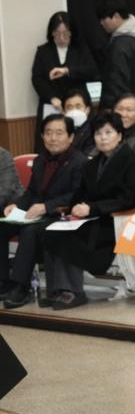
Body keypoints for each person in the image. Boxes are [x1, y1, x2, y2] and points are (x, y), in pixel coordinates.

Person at [39, 113, 135, 309]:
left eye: (108, 132)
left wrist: (93, 208)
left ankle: (73, 292)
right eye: (98, 133)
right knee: (52, 231)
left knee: (69, 238)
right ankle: (56, 290)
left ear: (119, 135)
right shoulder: (93, 163)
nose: (102, 138)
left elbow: (129, 199)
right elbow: (80, 194)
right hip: (91, 219)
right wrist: (76, 206)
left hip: (112, 222)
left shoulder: (131, 161)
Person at [1, 115, 86, 308]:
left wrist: (47, 207)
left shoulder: (79, 162)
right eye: (48, 133)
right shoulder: (40, 160)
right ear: (42, 136)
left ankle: (21, 286)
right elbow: (31, 192)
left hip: (60, 215)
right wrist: (16, 205)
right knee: (2, 227)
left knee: (30, 231)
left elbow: (76, 195)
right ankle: (3, 282)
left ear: (71, 137)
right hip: (35, 214)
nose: (53, 138)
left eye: (59, 133)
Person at [31, 12, 98, 134]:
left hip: (78, 104)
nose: (62, 38)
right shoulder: (43, 51)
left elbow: (91, 70)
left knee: (81, 137)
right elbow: (37, 79)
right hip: (52, 106)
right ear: (52, 33)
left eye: (65, 33)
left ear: (71, 32)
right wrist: (51, 97)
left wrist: (67, 70)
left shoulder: (81, 49)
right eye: (57, 33)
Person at [63, 88, 95, 157]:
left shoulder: (93, 131)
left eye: (78, 107)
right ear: (64, 112)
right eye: (69, 107)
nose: (74, 111)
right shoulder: (62, 131)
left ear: (87, 110)